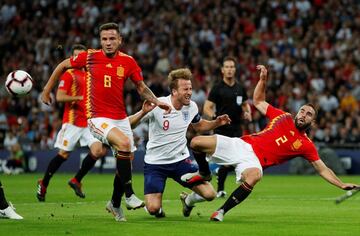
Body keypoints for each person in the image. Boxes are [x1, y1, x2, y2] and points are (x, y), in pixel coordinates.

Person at [185, 65, 359, 222]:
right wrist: (262, 80)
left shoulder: (306, 145)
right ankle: (204, 173)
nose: (303, 115)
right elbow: (258, 101)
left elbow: (322, 169)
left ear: (312, 122)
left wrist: (341, 184)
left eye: (309, 114)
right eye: (302, 111)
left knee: (254, 176)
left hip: (254, 162)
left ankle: (221, 211)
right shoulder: (283, 117)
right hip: (242, 145)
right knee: (196, 142)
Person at [41, 23, 171, 222]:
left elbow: (141, 87)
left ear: (120, 40)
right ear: (100, 40)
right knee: (125, 145)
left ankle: (115, 203)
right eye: (104, 39)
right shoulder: (90, 56)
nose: (108, 43)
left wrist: (157, 101)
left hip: (120, 117)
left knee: (125, 159)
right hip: (97, 117)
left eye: (112, 39)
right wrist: (46, 90)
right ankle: (129, 195)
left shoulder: (128, 61)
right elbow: (62, 65)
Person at [38, 44, 144, 209]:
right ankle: (44, 183)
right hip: (72, 121)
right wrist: (53, 91)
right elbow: (59, 96)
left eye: (82, 55)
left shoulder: (93, 73)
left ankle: (77, 179)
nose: (80, 59)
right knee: (64, 154)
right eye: (76, 56)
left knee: (98, 151)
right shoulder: (70, 74)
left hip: (90, 121)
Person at [128, 68, 231, 218]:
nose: (189, 92)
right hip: (155, 163)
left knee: (210, 194)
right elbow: (129, 124)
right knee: (153, 208)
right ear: (174, 91)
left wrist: (216, 122)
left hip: (180, 161)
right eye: (185, 89)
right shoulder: (158, 104)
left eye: (190, 88)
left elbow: (199, 126)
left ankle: (188, 201)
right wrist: (143, 112)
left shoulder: (192, 107)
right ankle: (159, 210)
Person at [203, 56, 252, 198]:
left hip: (237, 128)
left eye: (232, 67)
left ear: (235, 70)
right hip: (221, 129)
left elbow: (244, 104)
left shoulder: (240, 88)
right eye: (227, 67)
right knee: (226, 159)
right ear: (222, 70)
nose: (230, 69)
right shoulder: (217, 88)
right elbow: (207, 107)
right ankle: (220, 186)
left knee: (234, 159)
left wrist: (247, 112)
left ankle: (220, 180)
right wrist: (214, 118)